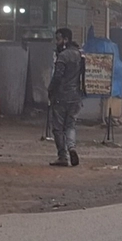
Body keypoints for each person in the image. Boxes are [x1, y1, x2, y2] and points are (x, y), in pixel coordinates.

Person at [48, 27, 86, 167]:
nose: (56, 42)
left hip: (61, 96)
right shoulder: (79, 55)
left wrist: (50, 89)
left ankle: (62, 156)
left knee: (58, 127)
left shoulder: (63, 56)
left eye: (58, 39)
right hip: (76, 96)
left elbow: (57, 76)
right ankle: (72, 147)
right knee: (70, 125)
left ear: (65, 40)